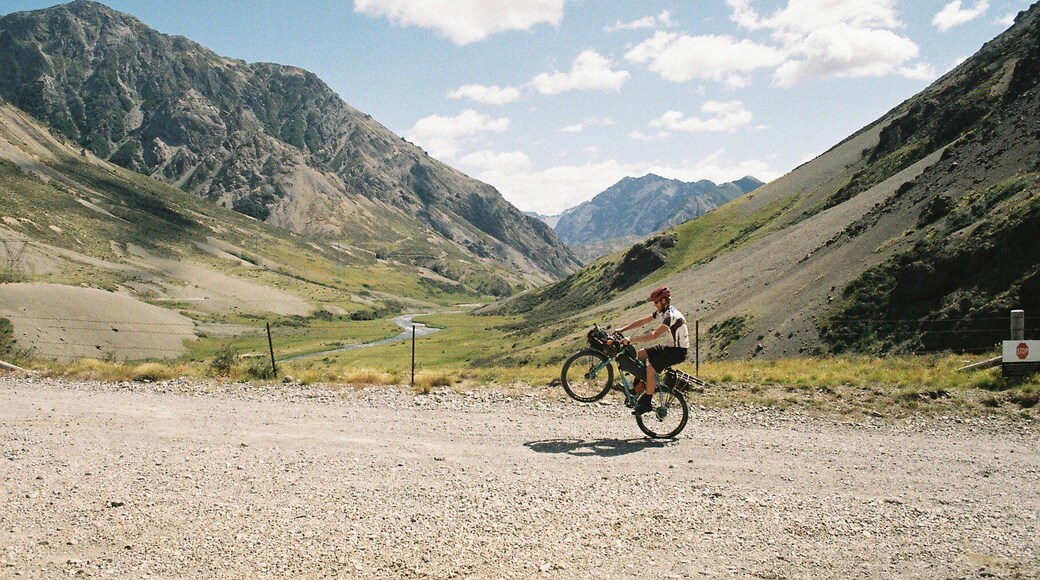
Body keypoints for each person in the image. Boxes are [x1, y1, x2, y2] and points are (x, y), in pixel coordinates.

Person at [614, 286, 689, 415]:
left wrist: (630, 339)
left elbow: (653, 336)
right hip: (670, 347)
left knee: (650, 369)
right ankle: (637, 389)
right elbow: (642, 321)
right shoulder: (662, 312)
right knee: (641, 354)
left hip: (678, 352)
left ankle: (647, 402)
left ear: (664, 301)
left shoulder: (671, 316)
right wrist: (622, 329)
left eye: (656, 302)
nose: (655, 305)